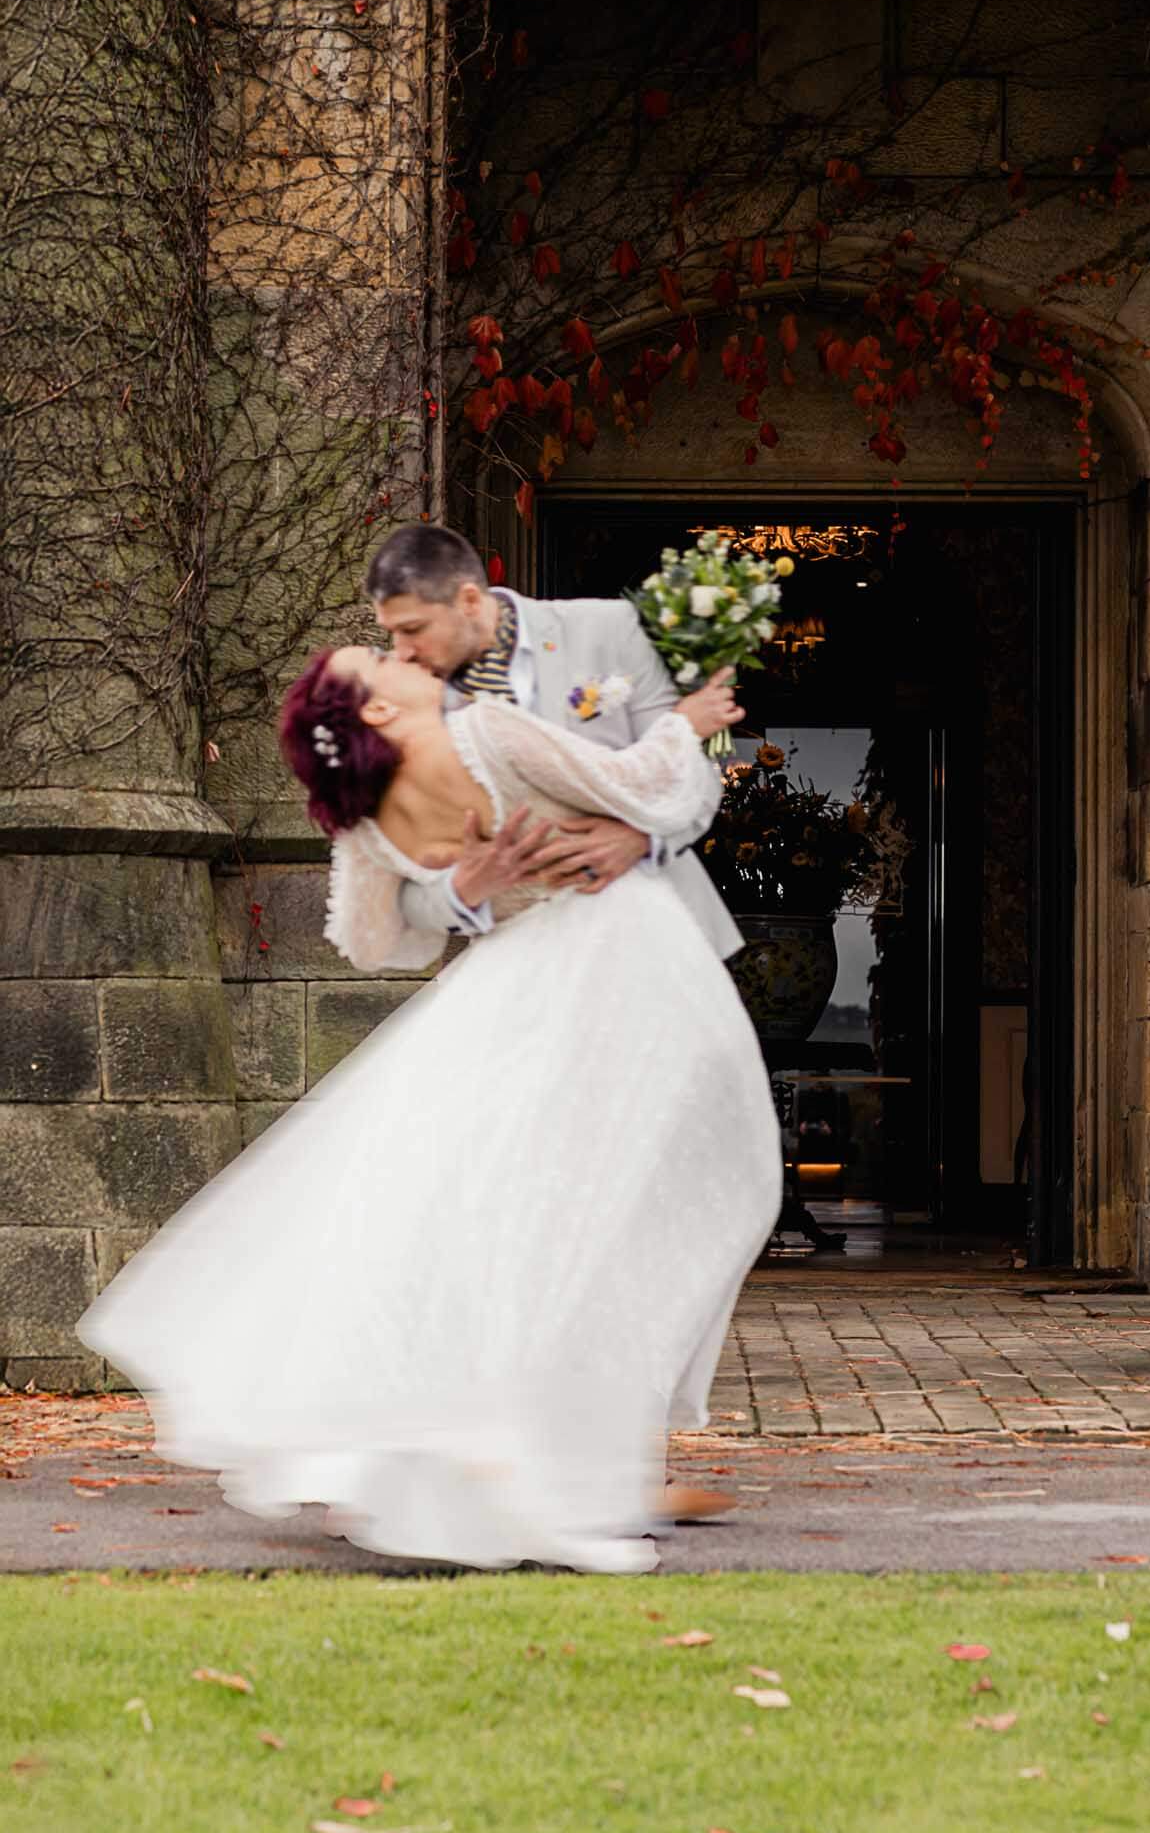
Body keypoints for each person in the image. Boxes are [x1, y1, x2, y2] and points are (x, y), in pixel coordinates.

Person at [77, 650, 781, 1574]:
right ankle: (533, 1444)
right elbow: (633, 785)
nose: (411, 661)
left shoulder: (369, 819)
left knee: (498, 1220)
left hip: (513, 996)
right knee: (669, 1196)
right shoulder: (484, 733)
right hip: (614, 970)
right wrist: (686, 726)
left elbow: (373, 941)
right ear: (375, 701)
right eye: (387, 660)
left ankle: (531, 1442)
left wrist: (466, 888)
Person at [363, 524, 741, 959]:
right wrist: (466, 888)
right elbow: (403, 895)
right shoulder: (409, 712)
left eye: (412, 628)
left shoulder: (607, 627)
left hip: (656, 936)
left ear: (468, 600)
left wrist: (642, 839)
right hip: (525, 958)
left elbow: (691, 772)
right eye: (391, 632)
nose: (402, 650)